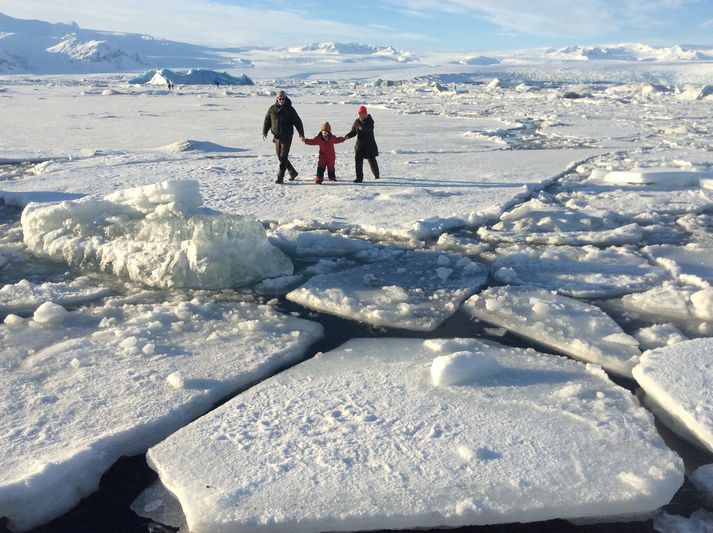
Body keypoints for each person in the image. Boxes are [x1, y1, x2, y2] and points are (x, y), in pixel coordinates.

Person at [262, 90, 305, 184]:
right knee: (279, 156)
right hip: (277, 136)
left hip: (287, 136)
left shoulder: (290, 109)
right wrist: (264, 132)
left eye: (283, 99)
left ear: (286, 98)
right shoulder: (272, 109)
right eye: (280, 99)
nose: (282, 100)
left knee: (284, 156)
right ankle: (293, 172)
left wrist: (301, 134)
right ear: (277, 99)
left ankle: (280, 177)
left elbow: (297, 121)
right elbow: (267, 120)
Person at [344, 105, 379, 183]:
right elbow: (353, 132)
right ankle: (359, 178)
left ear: (366, 113)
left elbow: (368, 128)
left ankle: (377, 176)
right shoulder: (357, 122)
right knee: (358, 162)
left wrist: (361, 127)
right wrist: (347, 137)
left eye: (363, 113)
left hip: (369, 145)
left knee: (372, 161)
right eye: (360, 113)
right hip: (359, 146)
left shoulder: (370, 120)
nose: (361, 115)